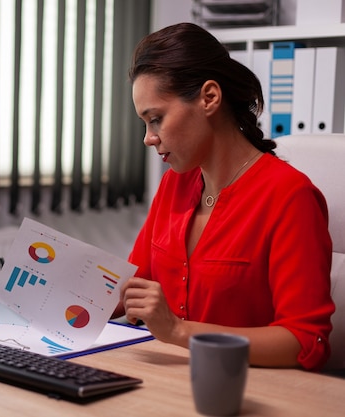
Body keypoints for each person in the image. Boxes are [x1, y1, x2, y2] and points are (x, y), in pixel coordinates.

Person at [113, 22, 335, 371]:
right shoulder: (176, 184)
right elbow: (133, 288)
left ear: (209, 98)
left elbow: (305, 341)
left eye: (155, 119)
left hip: (243, 390)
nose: (148, 138)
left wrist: (178, 330)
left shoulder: (290, 196)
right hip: (167, 383)